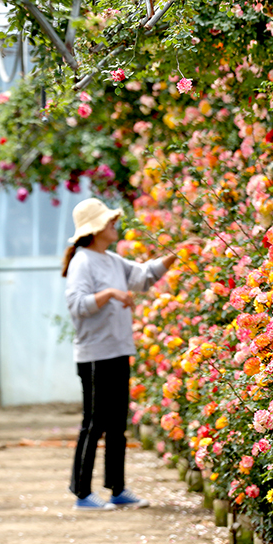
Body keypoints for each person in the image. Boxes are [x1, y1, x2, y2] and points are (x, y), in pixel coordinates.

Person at [62, 198, 198, 510]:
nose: (115, 226)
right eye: (109, 222)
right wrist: (110, 293)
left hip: (118, 350)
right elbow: (77, 305)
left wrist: (176, 255)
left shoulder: (111, 260)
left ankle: (117, 489)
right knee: (94, 423)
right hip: (94, 355)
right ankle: (82, 493)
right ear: (95, 229)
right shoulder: (82, 261)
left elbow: (144, 276)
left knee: (116, 423)